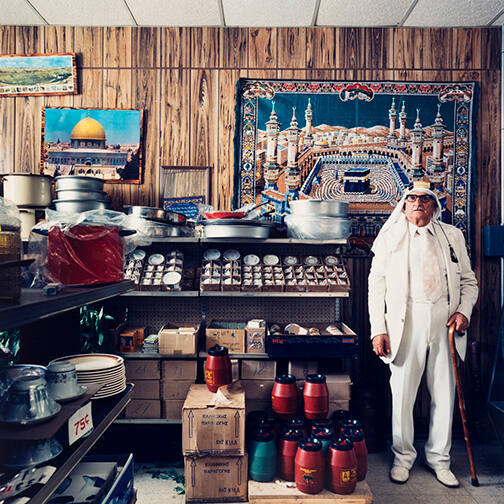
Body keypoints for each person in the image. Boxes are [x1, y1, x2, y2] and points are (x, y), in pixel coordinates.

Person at [368, 180, 478, 487]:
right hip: (406, 321)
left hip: (445, 321)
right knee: (402, 393)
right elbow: (376, 288)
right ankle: (403, 458)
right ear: (403, 205)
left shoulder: (452, 236)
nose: (418, 203)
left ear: (434, 206)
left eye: (425, 199)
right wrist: (379, 330)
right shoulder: (390, 237)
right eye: (412, 198)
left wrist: (463, 312)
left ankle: (440, 460)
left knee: (444, 392)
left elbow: (469, 282)